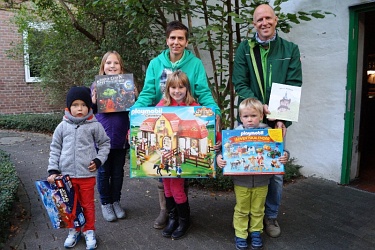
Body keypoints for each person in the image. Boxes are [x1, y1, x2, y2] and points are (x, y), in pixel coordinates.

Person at [132, 20, 221, 229]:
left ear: (186, 41)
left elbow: (204, 92)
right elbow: (147, 93)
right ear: (167, 40)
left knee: (181, 172)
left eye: (180, 38)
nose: (176, 42)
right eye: (172, 38)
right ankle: (166, 212)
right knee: (162, 174)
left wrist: (214, 112)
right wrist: (134, 114)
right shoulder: (156, 63)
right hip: (161, 121)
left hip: (183, 124)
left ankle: (181, 216)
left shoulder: (195, 64)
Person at [232, 3, 302, 238]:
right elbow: (240, 82)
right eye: (259, 20)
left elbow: (293, 84)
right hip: (251, 119)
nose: (264, 23)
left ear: (275, 20)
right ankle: (250, 216)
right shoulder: (244, 48)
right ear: (254, 24)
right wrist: (258, 107)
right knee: (248, 166)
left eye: (268, 18)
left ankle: (270, 217)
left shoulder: (290, 49)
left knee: (275, 173)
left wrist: (282, 120)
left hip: (276, 122)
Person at [216, 98, 289, 250]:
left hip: (263, 181)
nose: (249, 120)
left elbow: (280, 150)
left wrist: (285, 156)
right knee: (241, 209)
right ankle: (241, 234)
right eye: (246, 116)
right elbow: (223, 152)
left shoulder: (270, 133)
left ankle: (256, 232)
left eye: (253, 116)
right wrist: (219, 158)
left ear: (261, 116)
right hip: (241, 182)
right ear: (240, 117)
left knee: (258, 209)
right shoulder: (234, 134)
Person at [47, 86, 111, 249]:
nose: (80, 108)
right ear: (69, 107)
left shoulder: (94, 125)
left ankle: (89, 230)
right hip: (66, 177)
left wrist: (98, 160)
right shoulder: (62, 126)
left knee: (88, 204)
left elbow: (105, 143)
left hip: (86, 175)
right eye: (75, 105)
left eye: (83, 104)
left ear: (89, 106)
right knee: (70, 206)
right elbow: (55, 148)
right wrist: (53, 170)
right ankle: (73, 230)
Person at [91, 51, 137, 222]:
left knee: (117, 172)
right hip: (102, 138)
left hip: (120, 137)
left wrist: (135, 95)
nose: (112, 66)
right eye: (109, 63)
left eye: (116, 63)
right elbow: (89, 111)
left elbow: (135, 110)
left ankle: (116, 201)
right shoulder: (96, 86)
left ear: (121, 67)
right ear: (103, 67)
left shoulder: (127, 85)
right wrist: (93, 101)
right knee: (103, 172)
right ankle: (105, 203)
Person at [156, 70, 200, 239]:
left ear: (187, 88)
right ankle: (173, 218)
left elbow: (205, 126)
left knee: (176, 187)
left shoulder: (194, 107)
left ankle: (184, 220)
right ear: (168, 89)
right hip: (165, 155)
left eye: (181, 87)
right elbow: (148, 121)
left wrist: (216, 137)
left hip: (182, 156)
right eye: (173, 87)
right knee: (166, 186)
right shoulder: (162, 106)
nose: (177, 91)